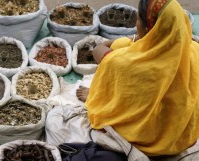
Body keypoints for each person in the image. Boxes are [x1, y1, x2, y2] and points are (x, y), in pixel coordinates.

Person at [77, 0, 199, 157]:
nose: (136, 23)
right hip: (180, 138)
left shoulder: (126, 63)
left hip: (144, 138)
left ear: (147, 29)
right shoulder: (195, 51)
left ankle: (94, 96)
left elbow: (98, 51)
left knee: (57, 118)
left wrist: (130, 40)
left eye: (138, 20)